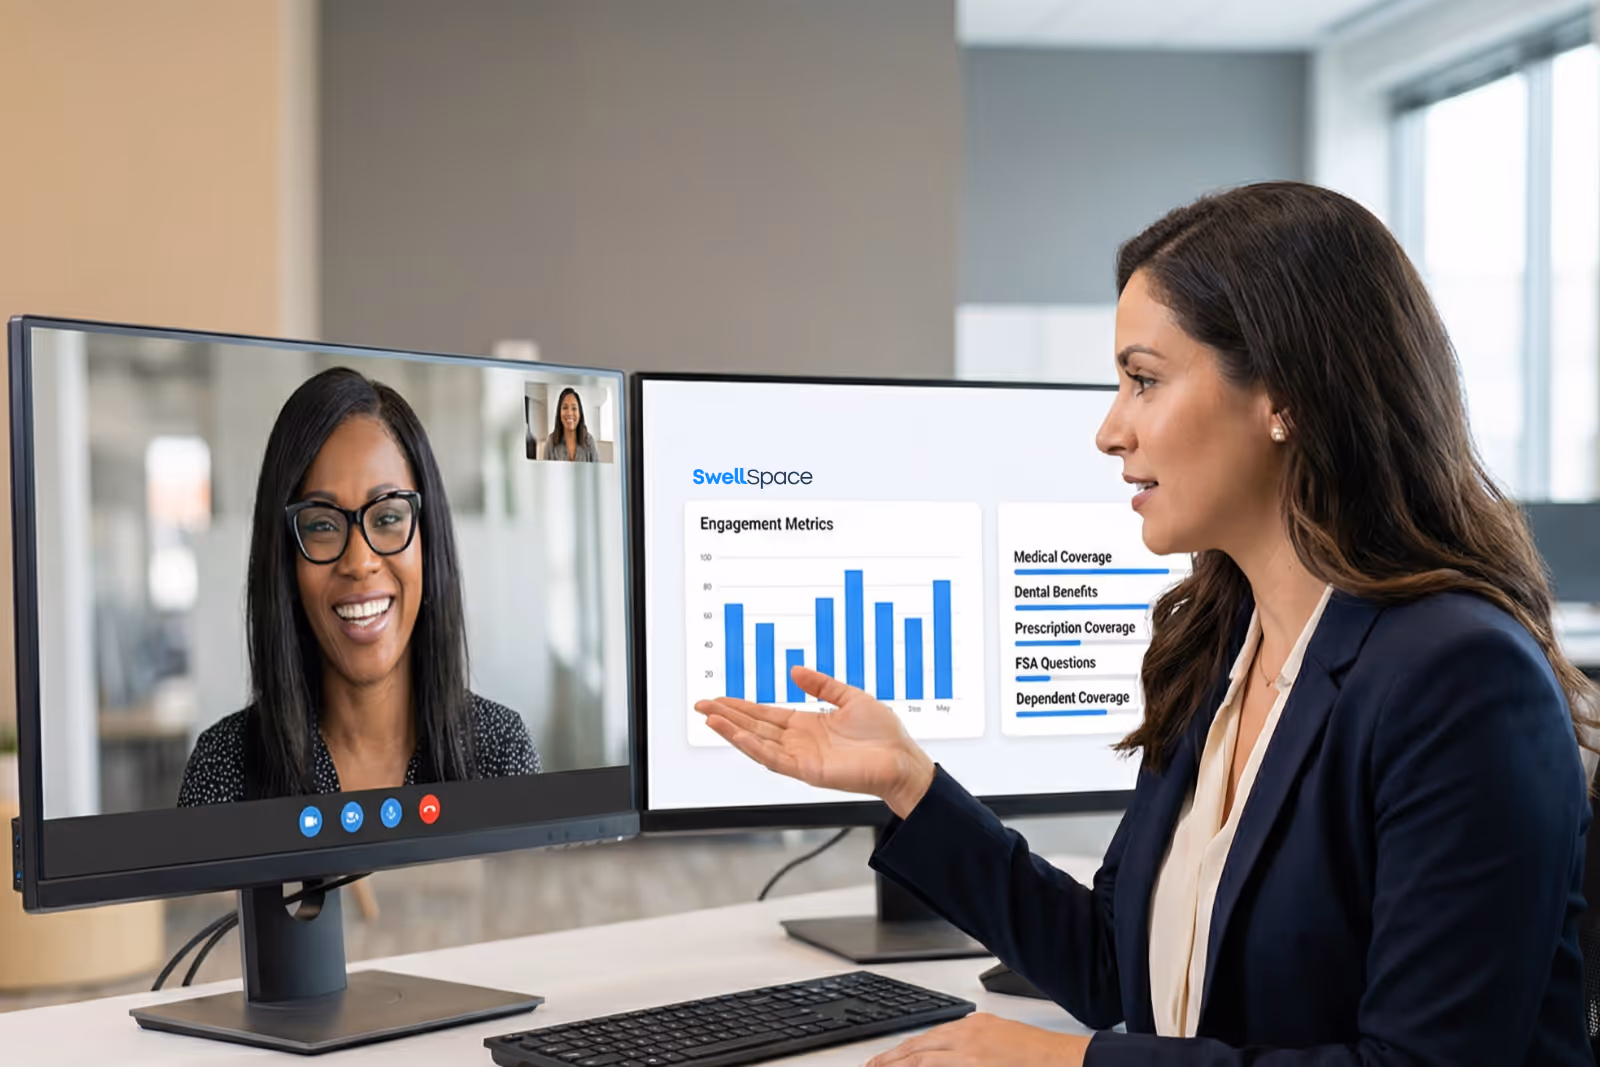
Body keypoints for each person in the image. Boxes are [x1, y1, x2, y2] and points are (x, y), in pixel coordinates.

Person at [695, 182, 1596, 1065]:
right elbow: (1117, 966)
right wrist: (908, 782)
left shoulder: (1462, 680)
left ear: (1283, 397)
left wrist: (1069, 1066)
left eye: (1142, 381)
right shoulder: (1221, 647)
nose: (1110, 430)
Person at [178, 367, 539, 805]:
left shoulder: (500, 753)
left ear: (429, 539)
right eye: (323, 525)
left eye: (387, 517)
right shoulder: (224, 767)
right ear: (286, 563)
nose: (359, 562)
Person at [545, 386, 599, 461]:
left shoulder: (589, 441)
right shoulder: (550, 442)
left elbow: (597, 471)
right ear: (559, 412)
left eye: (574, 408)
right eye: (565, 408)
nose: (569, 413)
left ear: (580, 413)